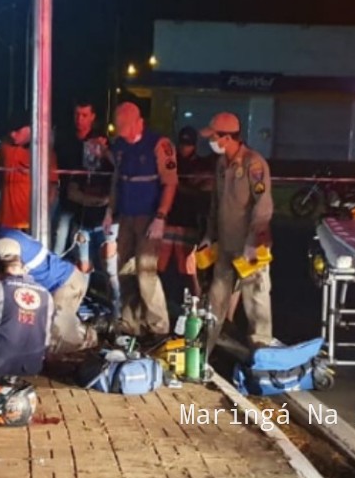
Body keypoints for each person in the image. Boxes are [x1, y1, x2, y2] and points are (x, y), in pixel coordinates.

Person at [104, 101, 178, 344]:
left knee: (146, 273)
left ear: (138, 122)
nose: (123, 132)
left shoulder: (159, 145)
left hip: (149, 218)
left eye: (126, 127)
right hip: (126, 216)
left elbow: (170, 183)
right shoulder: (121, 146)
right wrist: (109, 211)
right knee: (124, 269)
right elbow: (117, 181)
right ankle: (130, 323)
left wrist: (160, 217)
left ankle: (158, 326)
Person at [200, 112, 274, 351]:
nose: (211, 141)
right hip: (226, 245)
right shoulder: (222, 165)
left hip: (251, 247)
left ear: (227, 137)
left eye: (213, 137)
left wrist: (254, 239)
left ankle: (262, 354)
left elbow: (263, 205)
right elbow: (215, 204)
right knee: (216, 299)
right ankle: (205, 350)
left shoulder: (253, 163)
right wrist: (208, 237)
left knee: (256, 301)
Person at [0, 230, 100, 354]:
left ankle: (90, 335)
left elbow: (13, 275)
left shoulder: (6, 244)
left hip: (64, 284)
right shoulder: (7, 238)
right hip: (57, 285)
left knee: (54, 337)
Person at [160, 125, 215, 303]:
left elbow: (205, 191)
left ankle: (196, 305)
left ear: (195, 145)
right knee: (159, 266)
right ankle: (159, 303)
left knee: (189, 269)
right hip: (170, 218)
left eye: (188, 144)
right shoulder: (171, 161)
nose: (184, 148)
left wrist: (180, 187)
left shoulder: (201, 165)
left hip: (190, 221)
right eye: (182, 144)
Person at [53, 100, 113, 260]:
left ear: (92, 117)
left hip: (89, 202)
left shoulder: (100, 140)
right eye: (77, 114)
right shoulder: (65, 138)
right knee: (59, 238)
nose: (80, 119)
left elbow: (112, 168)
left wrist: (104, 151)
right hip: (67, 197)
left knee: (89, 249)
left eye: (84, 115)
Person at [0, 114, 58, 231]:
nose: (12, 134)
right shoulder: (5, 146)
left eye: (17, 130)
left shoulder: (45, 152)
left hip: (30, 223)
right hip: (4, 219)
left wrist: (43, 214)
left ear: (30, 128)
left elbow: (52, 187)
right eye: (10, 131)